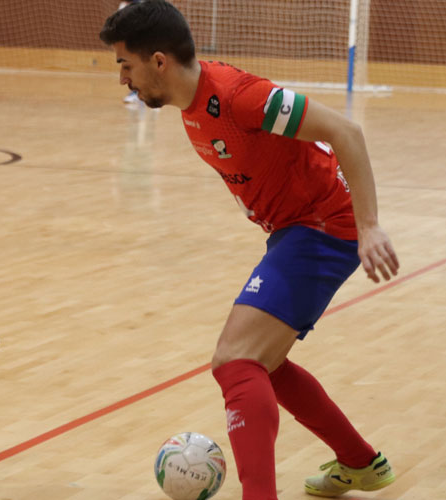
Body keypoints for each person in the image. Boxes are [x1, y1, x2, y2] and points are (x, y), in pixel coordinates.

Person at [100, 2, 399, 498]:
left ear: (157, 61)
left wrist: (369, 226)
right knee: (267, 365)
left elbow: (346, 131)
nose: (122, 80)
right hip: (297, 229)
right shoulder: (192, 107)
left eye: (124, 65)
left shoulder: (241, 98)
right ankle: (360, 462)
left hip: (324, 227)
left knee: (236, 360)